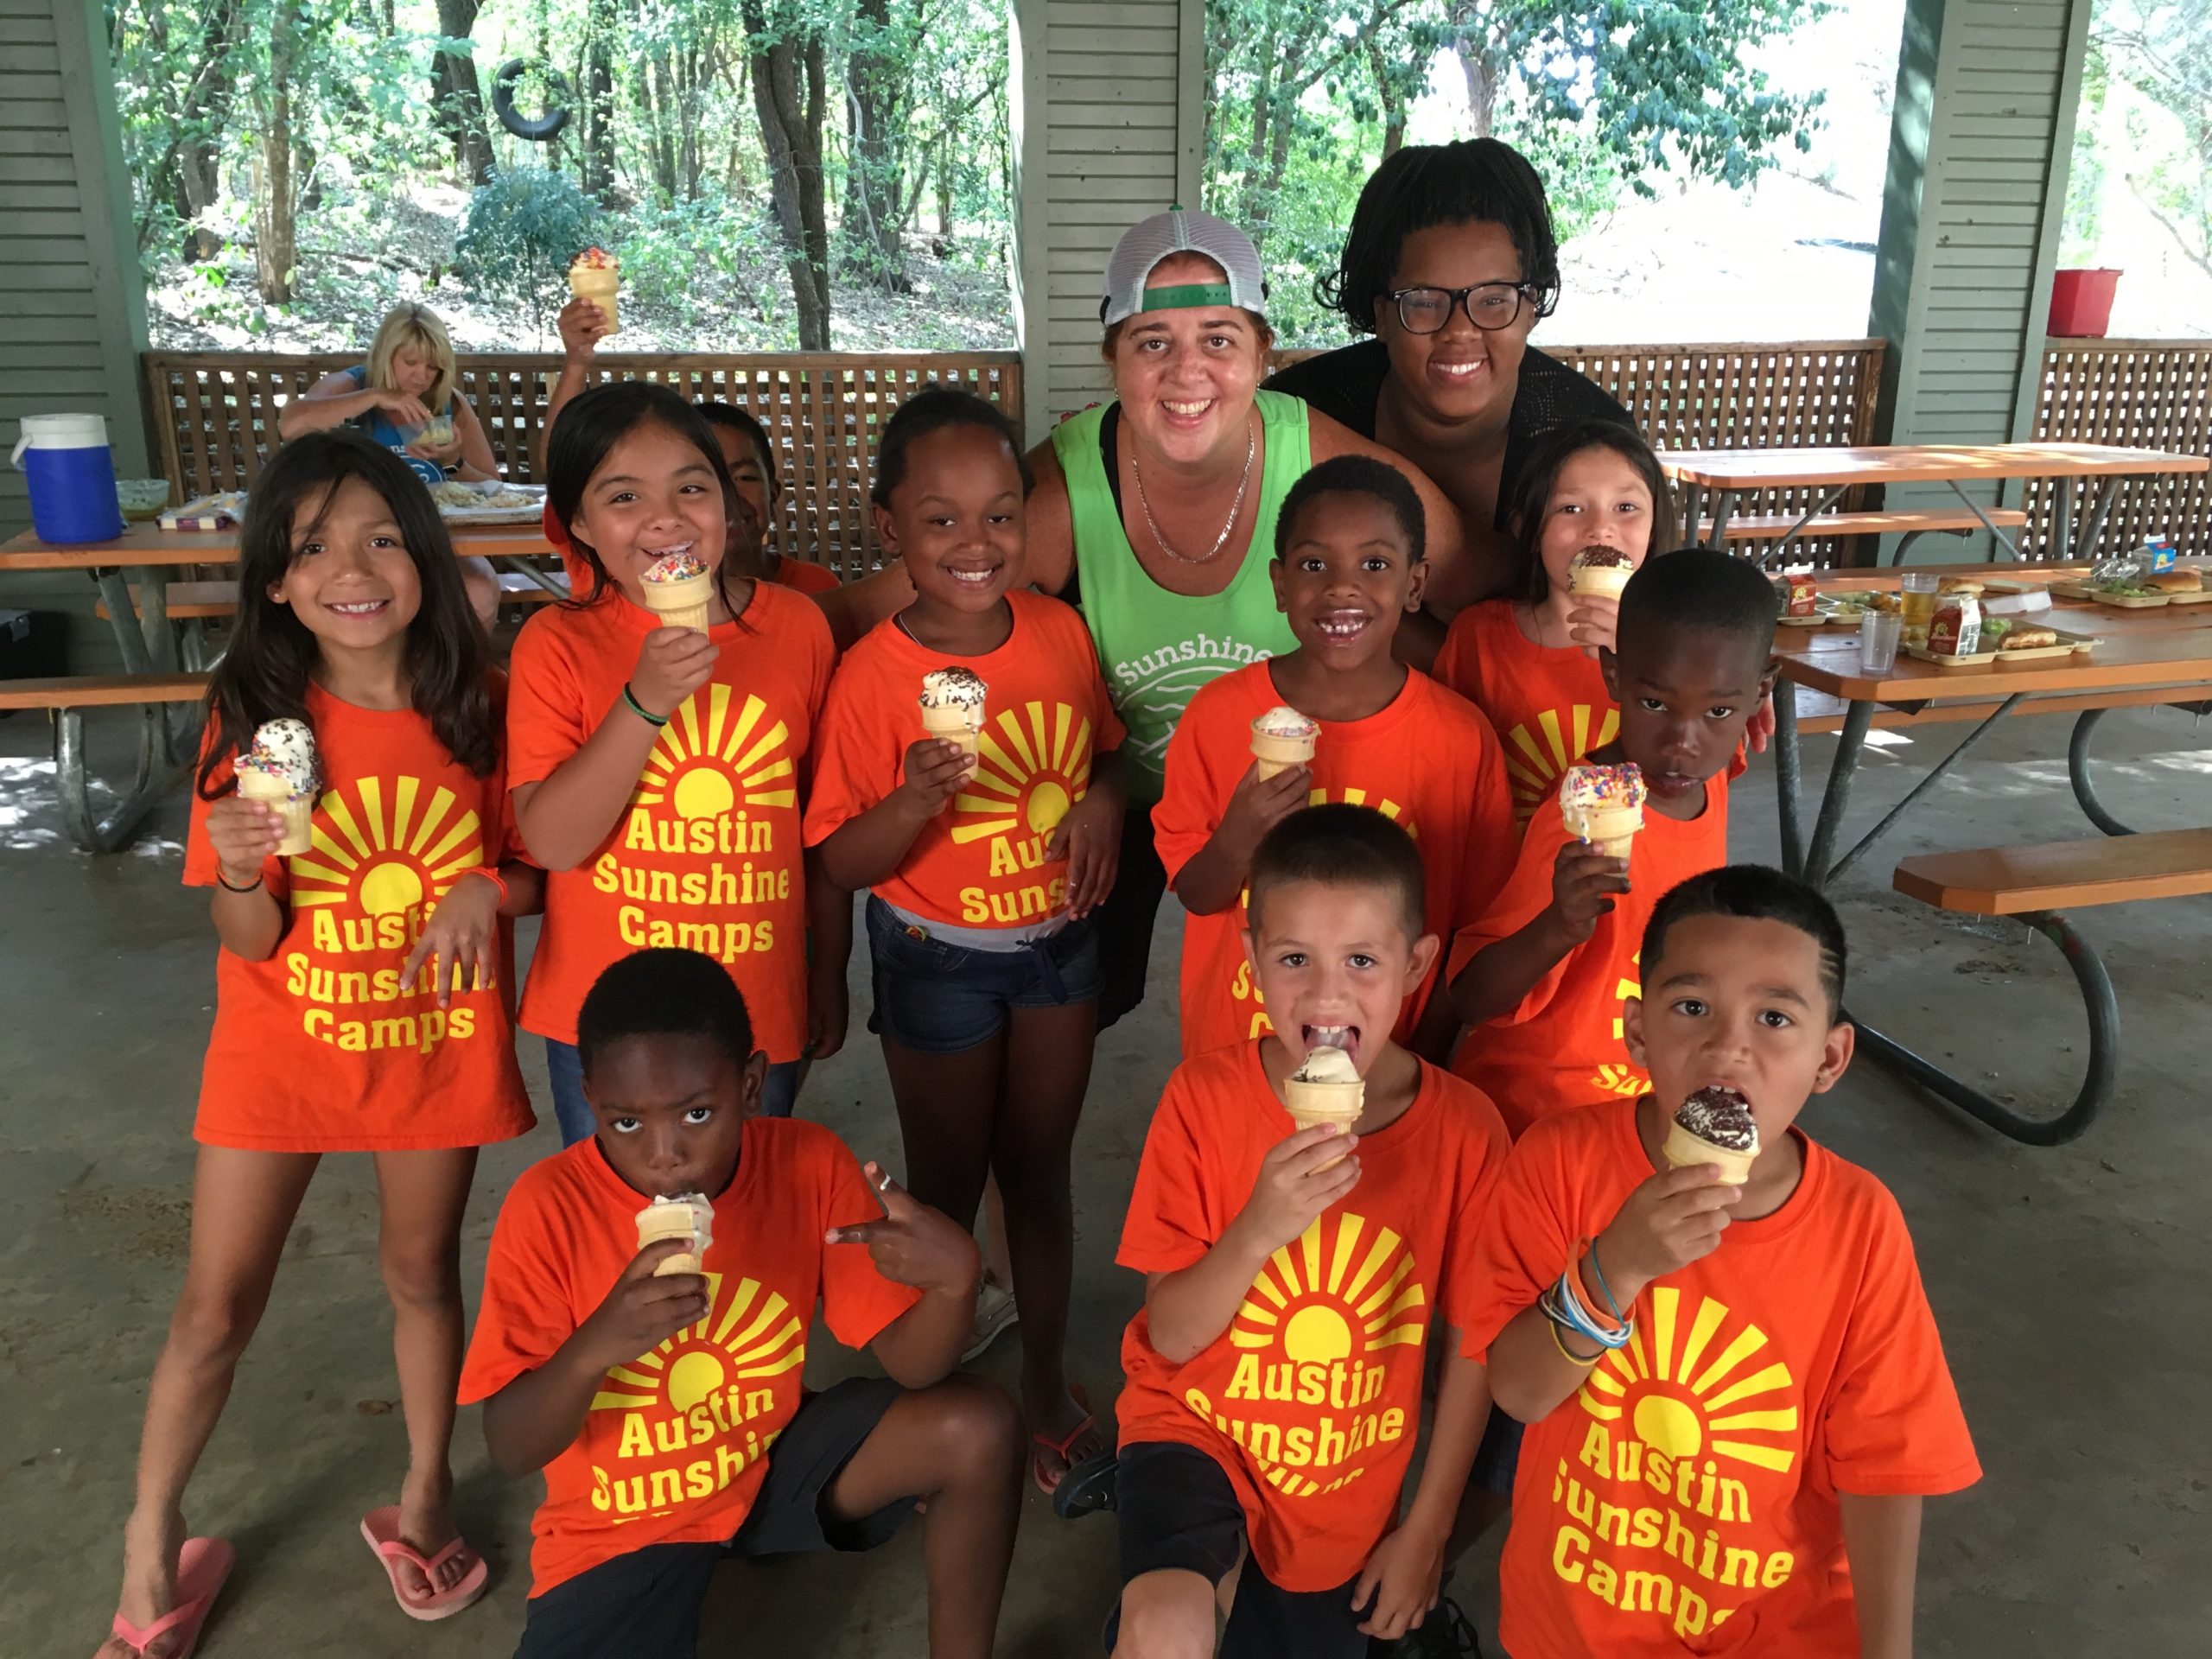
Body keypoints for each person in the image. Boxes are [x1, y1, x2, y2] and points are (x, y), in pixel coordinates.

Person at [817, 207, 1494, 1032]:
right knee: (1090, 1000)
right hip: (1122, 799)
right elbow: (891, 601)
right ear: (1113, 359)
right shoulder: (1073, 478)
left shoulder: (1314, 456)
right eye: (1153, 342)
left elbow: (1472, 590)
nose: (1187, 372)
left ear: (1260, 353)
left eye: (1218, 338)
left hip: (1297, 797)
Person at [95, 432, 537, 1659]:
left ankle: (428, 1487)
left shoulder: (477, 708)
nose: (354, 568)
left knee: (420, 1272)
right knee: (212, 1307)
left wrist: (486, 895)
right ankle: (151, 1538)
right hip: (280, 1050)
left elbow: (533, 865)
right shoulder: (254, 716)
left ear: (427, 558)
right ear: (277, 583)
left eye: (383, 537)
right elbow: (248, 935)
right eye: (313, 547)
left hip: (432, 1045)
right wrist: (242, 863)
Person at [1466, 866, 1980, 1653]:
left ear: (1830, 1060)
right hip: (1573, 1623)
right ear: (1637, 1032)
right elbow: (1519, 1391)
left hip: (1776, 1631)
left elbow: (1885, 1465)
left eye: (1775, 1017)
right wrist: (1614, 1269)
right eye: (1692, 1007)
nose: (1727, 1046)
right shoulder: (1560, 1161)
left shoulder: (1860, 1225)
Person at [459, 947, 1024, 1659]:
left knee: (979, 1427)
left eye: (698, 1112)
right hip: (622, 1523)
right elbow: (511, 1446)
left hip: (766, 1457)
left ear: (752, 1085)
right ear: (589, 1098)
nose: (665, 1153)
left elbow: (914, 1367)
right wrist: (594, 1347)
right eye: (626, 1123)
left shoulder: (807, 1163)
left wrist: (954, 1282)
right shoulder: (547, 1208)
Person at [804, 387, 1123, 1493]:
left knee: (1038, 1171)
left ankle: (1041, 1382)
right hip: (933, 955)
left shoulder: (1059, 632)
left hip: (1056, 951)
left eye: (1000, 515)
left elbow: (1113, 756)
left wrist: (1106, 805)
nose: (976, 544)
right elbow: (840, 862)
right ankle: (933, 1397)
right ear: (890, 529)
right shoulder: (870, 676)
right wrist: (909, 803)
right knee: (943, 1183)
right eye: (941, 521)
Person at [1108, 804, 1509, 1657]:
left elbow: (1475, 1343)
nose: (1327, 996)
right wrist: (1258, 1230)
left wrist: (1427, 1531)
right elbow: (1171, 1336)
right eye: (1294, 960)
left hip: (1344, 1478)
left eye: (1362, 961)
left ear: (1416, 967)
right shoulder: (1202, 1100)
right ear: (1252, 964)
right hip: (1194, 1426)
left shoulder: (1467, 1132)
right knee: (1164, 1625)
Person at [505, 383, 843, 1142]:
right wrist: (644, 702)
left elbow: (817, 829)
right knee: (615, 1233)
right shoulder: (557, 645)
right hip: (603, 1013)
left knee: (749, 1214)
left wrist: (825, 973)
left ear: (729, 504)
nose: (665, 518)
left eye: (692, 488)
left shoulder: (795, 628)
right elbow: (555, 843)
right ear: (582, 525)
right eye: (624, 497)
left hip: (756, 999)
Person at [1153, 454, 1514, 1061]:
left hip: (1392, 1052)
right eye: (1314, 564)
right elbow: (1196, 892)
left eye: (1375, 564)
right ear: (1279, 583)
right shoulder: (1217, 715)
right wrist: (1238, 839)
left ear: (1415, 584)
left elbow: (1470, 929)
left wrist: (1421, 1055)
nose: (1342, 586)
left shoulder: (1459, 738)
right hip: (1239, 1052)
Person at [1445, 548, 1777, 1139]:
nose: (1682, 742)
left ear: (1757, 697)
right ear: (1613, 675)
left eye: (1717, 711)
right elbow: (1473, 999)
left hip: (1648, 1106)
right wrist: (1559, 925)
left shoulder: (1714, 773)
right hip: (1539, 1116)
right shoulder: (1583, 813)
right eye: (1655, 704)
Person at [1264, 139, 1633, 563]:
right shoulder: (1300, 417)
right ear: (1380, 314)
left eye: (1494, 299)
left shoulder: (1595, 440)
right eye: (1423, 301)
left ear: (1531, 306)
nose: (1460, 331)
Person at [1432, 422, 1674, 825]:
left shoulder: (1682, 645)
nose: (1600, 528)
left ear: (1653, 526)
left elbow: (1704, 773)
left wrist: (1653, 665)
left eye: (1626, 507)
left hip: (1645, 876)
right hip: (1514, 878)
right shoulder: (1480, 637)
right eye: (1571, 508)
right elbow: (1444, 769)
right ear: (1527, 530)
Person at [278, 302, 500, 485]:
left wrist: (451, 461)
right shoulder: (352, 385)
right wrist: (374, 396)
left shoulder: (444, 401)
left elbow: (494, 488)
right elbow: (290, 425)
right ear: (386, 355)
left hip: (431, 526)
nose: (421, 376)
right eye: (410, 362)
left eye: (433, 367)